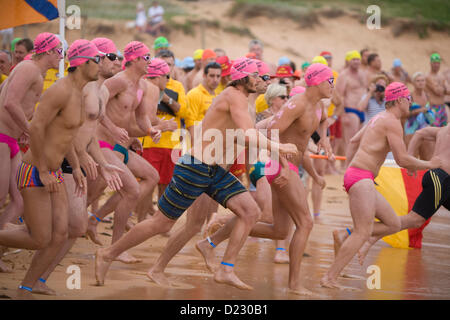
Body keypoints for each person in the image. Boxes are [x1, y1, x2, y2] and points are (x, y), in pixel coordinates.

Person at [94, 57, 298, 290]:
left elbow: (242, 136)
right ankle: (109, 253)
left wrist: (269, 152)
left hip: (214, 170)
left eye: (266, 78)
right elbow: (249, 135)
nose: (265, 81)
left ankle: (223, 267)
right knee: (162, 223)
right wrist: (280, 148)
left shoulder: (244, 101)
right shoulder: (234, 96)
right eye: (260, 77)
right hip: (195, 166)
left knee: (249, 212)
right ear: (244, 77)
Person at [199, 63, 333, 296]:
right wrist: (282, 165)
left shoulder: (318, 105)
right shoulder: (299, 103)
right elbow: (271, 128)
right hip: (279, 164)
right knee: (306, 223)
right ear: (318, 82)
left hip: (289, 164)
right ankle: (294, 285)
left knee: (279, 230)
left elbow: (314, 130)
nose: (333, 85)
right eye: (330, 80)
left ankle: (210, 242)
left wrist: (324, 140)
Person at [0, 39, 99, 298]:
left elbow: (65, 136)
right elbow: (36, 128)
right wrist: (43, 170)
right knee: (39, 238)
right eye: (96, 60)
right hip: (35, 170)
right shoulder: (61, 90)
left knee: (62, 234)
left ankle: (26, 287)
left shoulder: (78, 93)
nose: (100, 66)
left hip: (55, 171)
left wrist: (76, 167)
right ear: (83, 63)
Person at [320, 82, 441, 290]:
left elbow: (355, 140)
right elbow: (402, 159)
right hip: (361, 178)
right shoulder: (392, 122)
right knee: (363, 232)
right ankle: (329, 277)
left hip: (359, 176)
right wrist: (429, 164)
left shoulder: (378, 118)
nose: (410, 103)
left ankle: (343, 235)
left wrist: (349, 172)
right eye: (409, 99)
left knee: (393, 224)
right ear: (400, 100)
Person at [31, 37, 124, 295]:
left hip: (77, 159)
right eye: (111, 57)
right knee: (60, 228)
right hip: (63, 158)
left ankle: (38, 278)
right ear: (96, 60)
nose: (116, 62)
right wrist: (79, 157)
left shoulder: (100, 90)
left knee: (69, 227)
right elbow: (62, 128)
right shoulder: (80, 88)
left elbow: (89, 132)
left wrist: (102, 163)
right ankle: (31, 276)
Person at [146, 61, 223, 286]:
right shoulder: (194, 93)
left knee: (187, 220)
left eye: (219, 75)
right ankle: (112, 251)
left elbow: (184, 116)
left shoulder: (218, 95)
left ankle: (210, 235)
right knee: (165, 218)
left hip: (210, 156)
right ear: (204, 76)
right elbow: (188, 120)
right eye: (212, 75)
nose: (215, 79)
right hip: (191, 154)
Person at [85, 41, 161, 263]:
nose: (150, 62)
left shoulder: (141, 86)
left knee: (151, 177)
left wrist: (150, 129)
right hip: (102, 144)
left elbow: (140, 116)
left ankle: (95, 223)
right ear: (135, 59)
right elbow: (97, 106)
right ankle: (114, 245)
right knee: (106, 192)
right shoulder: (118, 81)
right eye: (146, 57)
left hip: (121, 145)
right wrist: (113, 128)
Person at [0, 33, 62, 273]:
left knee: (18, 201)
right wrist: (30, 130)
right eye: (59, 52)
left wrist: (24, 129)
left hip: (13, 140)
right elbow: (10, 103)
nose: (61, 57)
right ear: (48, 52)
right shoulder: (28, 68)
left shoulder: (36, 72)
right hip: (3, 138)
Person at [355, 124, 449, 264]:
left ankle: (369, 235)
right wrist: (410, 161)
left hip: (441, 178)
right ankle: (360, 234)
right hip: (440, 179)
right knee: (415, 219)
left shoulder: (444, 129)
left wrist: (410, 158)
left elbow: (420, 133)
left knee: (415, 219)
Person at [136, 52, 183, 222]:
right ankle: (139, 221)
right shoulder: (149, 87)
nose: (168, 71)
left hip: (169, 143)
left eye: (170, 65)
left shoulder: (176, 86)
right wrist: (161, 126)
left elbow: (182, 110)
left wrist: (166, 98)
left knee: (165, 184)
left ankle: (157, 222)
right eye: (164, 66)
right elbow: (145, 117)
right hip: (148, 141)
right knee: (146, 183)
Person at [338, 50, 367, 159]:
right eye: (353, 59)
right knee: (351, 140)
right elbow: (339, 96)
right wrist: (343, 114)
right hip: (349, 109)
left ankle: (355, 164)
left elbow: (364, 91)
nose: (356, 61)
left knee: (359, 140)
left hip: (361, 110)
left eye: (358, 59)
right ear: (348, 61)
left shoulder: (362, 74)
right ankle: (348, 165)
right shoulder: (344, 75)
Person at [404, 72, 435, 156]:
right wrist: (419, 111)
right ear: (413, 83)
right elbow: (404, 114)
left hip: (425, 128)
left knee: (427, 158)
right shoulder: (409, 96)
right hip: (411, 129)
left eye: (422, 80)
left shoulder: (427, 96)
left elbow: (430, 112)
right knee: (412, 158)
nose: (421, 82)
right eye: (418, 81)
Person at [426, 53, 448, 127]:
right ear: (430, 63)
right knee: (433, 132)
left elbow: (448, 91)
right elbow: (437, 91)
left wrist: (442, 89)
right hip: (433, 108)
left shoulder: (441, 75)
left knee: (443, 132)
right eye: (434, 63)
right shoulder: (428, 76)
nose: (436, 65)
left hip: (442, 108)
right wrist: (444, 88)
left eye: (438, 63)